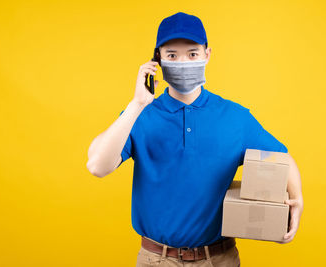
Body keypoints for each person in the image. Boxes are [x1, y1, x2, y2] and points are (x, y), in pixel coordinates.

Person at [87, 12, 304, 267]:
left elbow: (281, 157)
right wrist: (137, 104)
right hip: (156, 259)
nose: (183, 62)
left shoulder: (234, 117)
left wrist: (297, 199)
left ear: (207, 55)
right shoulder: (140, 116)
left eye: (192, 54)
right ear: (157, 59)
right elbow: (97, 166)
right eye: (171, 56)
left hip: (218, 259)